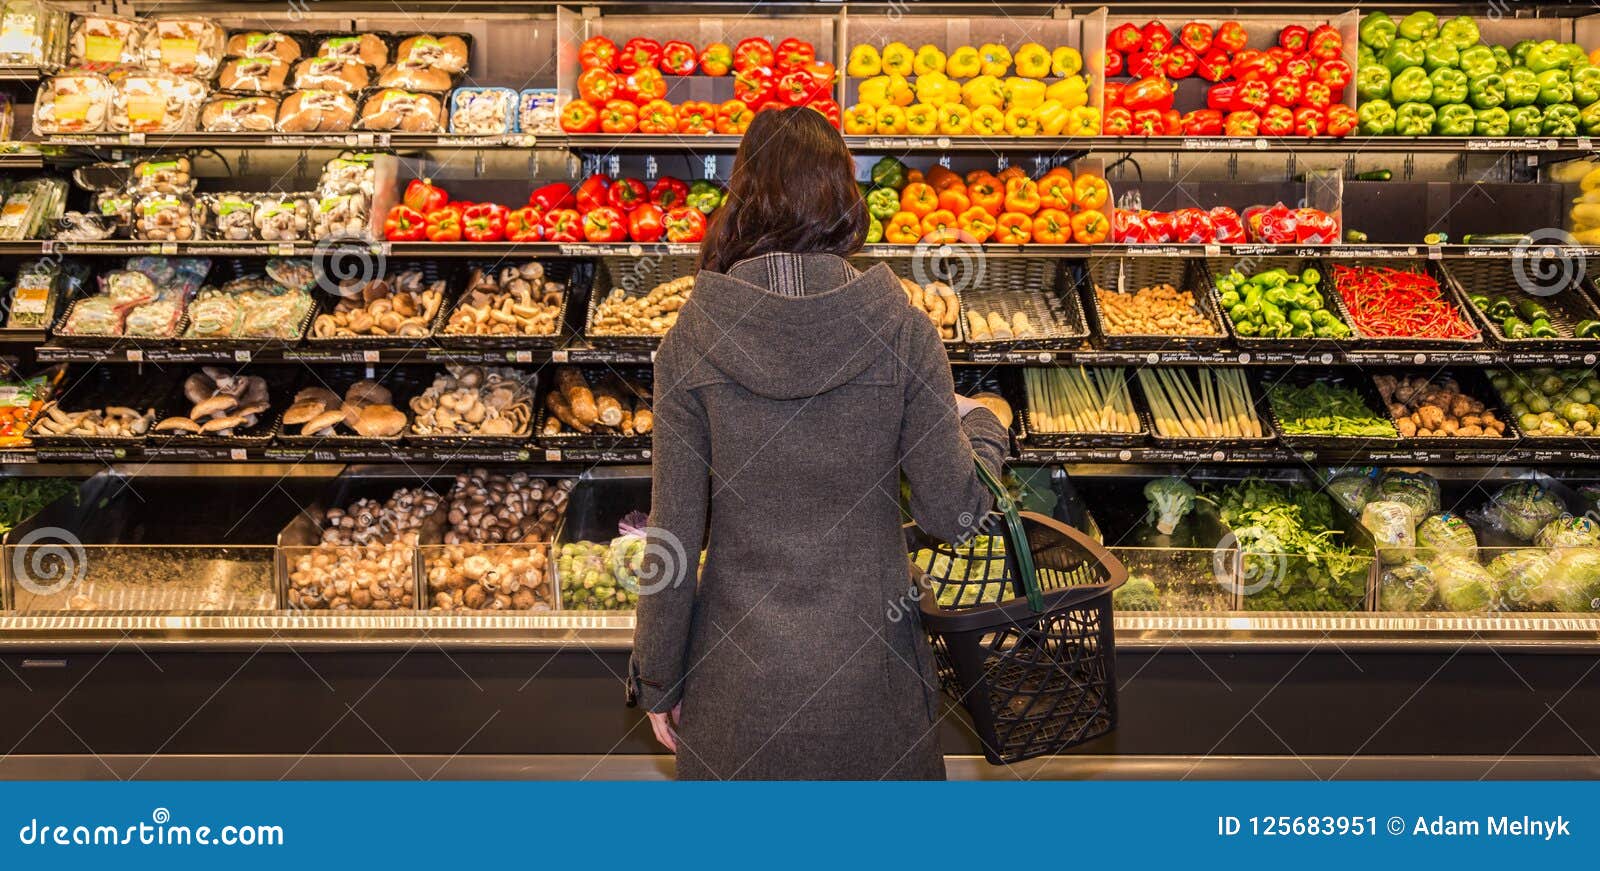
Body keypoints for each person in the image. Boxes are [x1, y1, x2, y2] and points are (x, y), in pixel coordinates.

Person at [628, 106, 1009, 780]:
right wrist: (983, 426)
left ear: (742, 198)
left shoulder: (689, 337)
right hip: (875, 697)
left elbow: (674, 536)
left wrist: (658, 676)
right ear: (845, 196)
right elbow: (953, 513)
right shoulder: (902, 328)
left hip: (736, 699)